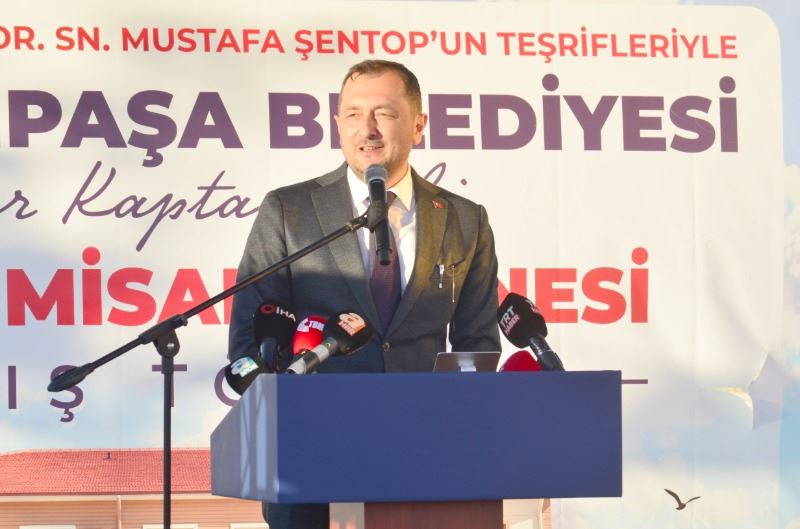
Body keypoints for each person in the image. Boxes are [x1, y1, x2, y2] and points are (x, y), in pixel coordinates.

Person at [228, 59, 501, 529]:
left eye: (384, 113)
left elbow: (477, 344)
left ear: (419, 125)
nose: (367, 128)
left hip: (426, 459)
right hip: (311, 458)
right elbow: (250, 339)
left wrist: (462, 429)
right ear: (337, 123)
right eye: (353, 114)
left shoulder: (464, 218)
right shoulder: (289, 210)